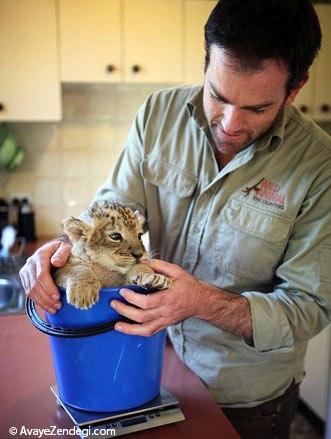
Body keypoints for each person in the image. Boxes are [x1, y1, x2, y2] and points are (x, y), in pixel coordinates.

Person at [20, 0, 331, 437]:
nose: (230, 123)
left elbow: (309, 308)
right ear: (206, 64)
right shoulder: (158, 116)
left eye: (258, 109)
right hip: (149, 364)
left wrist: (201, 302)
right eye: (217, 96)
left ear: (295, 88)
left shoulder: (320, 167)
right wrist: (70, 250)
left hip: (246, 399)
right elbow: (111, 210)